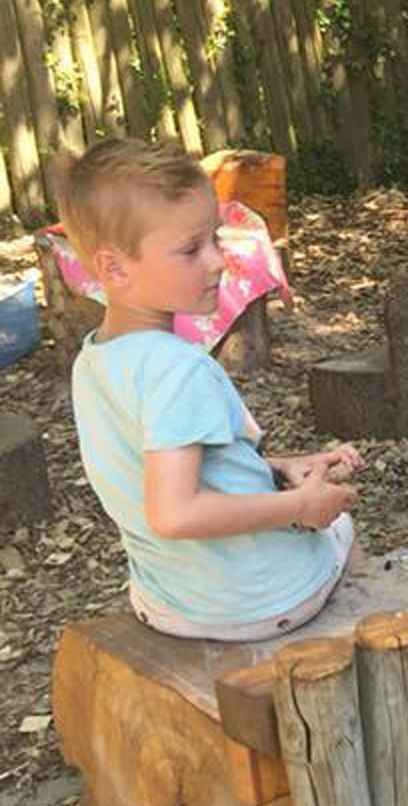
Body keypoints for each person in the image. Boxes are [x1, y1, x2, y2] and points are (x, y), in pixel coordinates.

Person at [61, 138, 361, 642]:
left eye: (215, 239)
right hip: (255, 601)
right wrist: (299, 507)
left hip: (168, 598)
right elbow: (174, 512)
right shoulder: (177, 368)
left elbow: (157, 473)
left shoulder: (95, 360)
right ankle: (358, 637)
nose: (218, 261)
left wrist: (277, 470)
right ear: (114, 268)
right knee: (342, 534)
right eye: (190, 249)